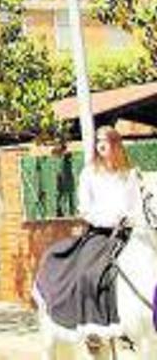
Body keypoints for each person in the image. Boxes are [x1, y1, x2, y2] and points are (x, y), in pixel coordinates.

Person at [35, 125, 141, 349]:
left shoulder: (129, 174)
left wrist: (128, 219)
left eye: (106, 141)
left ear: (116, 144)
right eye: (99, 141)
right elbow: (85, 209)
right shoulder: (90, 173)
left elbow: (136, 206)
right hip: (100, 234)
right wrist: (108, 220)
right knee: (88, 274)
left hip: (128, 233)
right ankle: (93, 327)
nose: (102, 145)